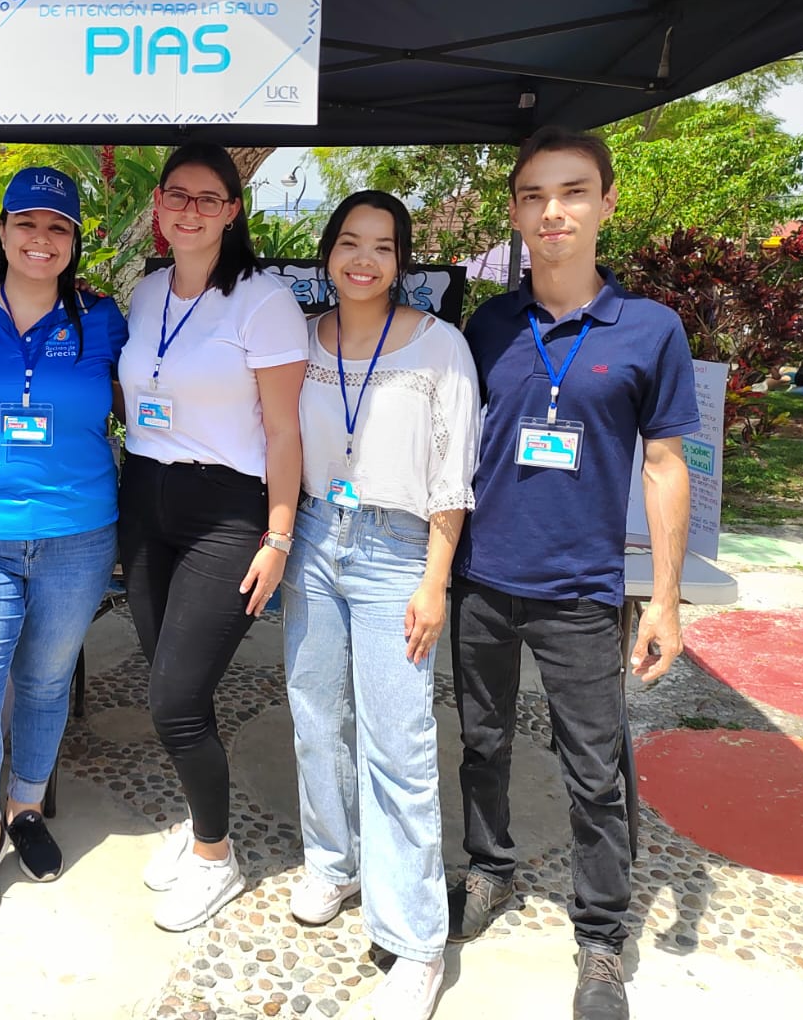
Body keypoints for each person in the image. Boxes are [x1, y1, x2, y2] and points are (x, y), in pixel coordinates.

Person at [448, 127, 696, 1020]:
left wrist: (663, 599)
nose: (554, 211)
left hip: (584, 592)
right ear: (515, 213)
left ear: (606, 203)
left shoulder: (650, 330)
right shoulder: (487, 326)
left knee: (595, 769)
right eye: (534, 196)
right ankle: (489, 870)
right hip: (481, 577)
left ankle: (600, 940)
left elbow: (666, 465)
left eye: (574, 192)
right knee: (481, 743)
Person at [279, 192, 479, 1020]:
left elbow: (452, 472)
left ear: (404, 263)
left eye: (384, 247)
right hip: (316, 540)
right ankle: (334, 862)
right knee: (314, 713)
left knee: (398, 742)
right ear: (328, 253)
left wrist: (435, 579)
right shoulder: (302, 339)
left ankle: (417, 940)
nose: (364, 260)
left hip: (399, 549)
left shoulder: (441, 348)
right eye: (350, 243)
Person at [0, 167, 128, 927]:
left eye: (58, 228)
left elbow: (140, 402)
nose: (41, 240)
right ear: (3, 232)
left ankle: (26, 809)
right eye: (27, 224)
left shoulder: (103, 318)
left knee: (44, 685)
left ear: (74, 242)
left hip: (78, 533)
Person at [118, 143, 307, 932]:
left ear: (234, 211)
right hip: (144, 500)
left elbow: (284, 430)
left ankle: (214, 855)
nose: (191, 210)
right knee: (169, 681)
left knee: (174, 701)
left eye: (209, 198)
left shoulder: (265, 302)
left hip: (227, 513)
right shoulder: (147, 290)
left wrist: (279, 536)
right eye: (178, 196)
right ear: (159, 206)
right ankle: (198, 823)